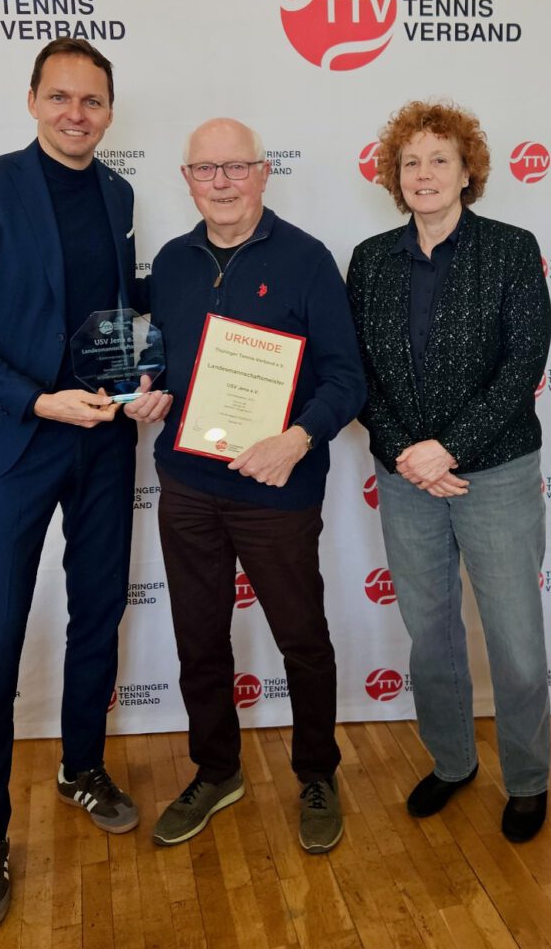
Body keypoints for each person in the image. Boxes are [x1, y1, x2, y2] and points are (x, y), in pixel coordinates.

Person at [0, 38, 141, 929]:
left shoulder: (118, 193)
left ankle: (80, 764)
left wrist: (141, 380)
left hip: (104, 440)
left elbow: (113, 315)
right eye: (60, 97)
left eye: (92, 100)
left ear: (109, 111)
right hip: (13, 440)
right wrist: (38, 400)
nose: (76, 114)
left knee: (99, 610)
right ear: (32, 101)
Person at [126, 117, 366, 854]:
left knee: (302, 639)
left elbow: (346, 378)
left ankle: (317, 774)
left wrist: (297, 439)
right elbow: (165, 361)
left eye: (236, 167)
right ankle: (216, 770)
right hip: (188, 485)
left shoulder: (306, 259)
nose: (222, 182)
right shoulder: (173, 262)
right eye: (206, 169)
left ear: (264, 173)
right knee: (199, 638)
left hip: (277, 488)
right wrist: (151, 391)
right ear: (187, 179)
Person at [347, 101, 551, 843]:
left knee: (515, 642)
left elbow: (522, 365)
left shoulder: (510, 249)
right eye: (411, 162)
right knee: (430, 636)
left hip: (494, 474)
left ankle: (527, 780)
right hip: (406, 478)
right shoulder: (371, 259)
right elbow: (357, 371)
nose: (424, 174)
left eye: (440, 159)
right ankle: (453, 761)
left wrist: (448, 449)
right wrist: (410, 453)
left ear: (468, 172)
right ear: (394, 177)